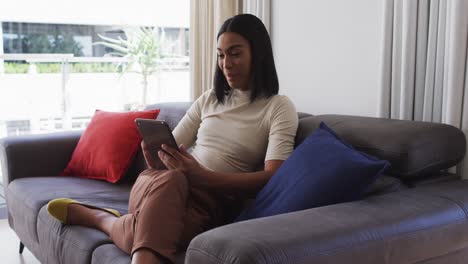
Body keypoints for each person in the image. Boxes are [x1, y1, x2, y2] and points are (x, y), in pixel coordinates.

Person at [47, 13, 298, 264]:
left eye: (235, 53)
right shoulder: (210, 99)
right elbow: (170, 149)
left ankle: (103, 220)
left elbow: (274, 177)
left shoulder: (278, 107)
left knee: (156, 228)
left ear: (259, 53)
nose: (226, 64)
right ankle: (109, 221)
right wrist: (156, 158)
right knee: (173, 179)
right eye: (221, 55)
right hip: (160, 183)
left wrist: (204, 177)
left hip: (209, 201)